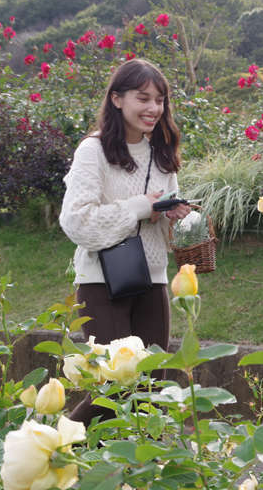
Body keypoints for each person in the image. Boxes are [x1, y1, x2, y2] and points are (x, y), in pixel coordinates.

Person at [59, 58, 191, 425]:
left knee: (150, 386)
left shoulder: (162, 153)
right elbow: (77, 222)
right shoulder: (92, 151)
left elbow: (164, 234)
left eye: (160, 100)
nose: (153, 108)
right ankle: (55, 448)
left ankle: (133, 476)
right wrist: (138, 207)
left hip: (152, 280)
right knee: (114, 388)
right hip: (101, 282)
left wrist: (171, 215)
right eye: (143, 98)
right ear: (117, 99)